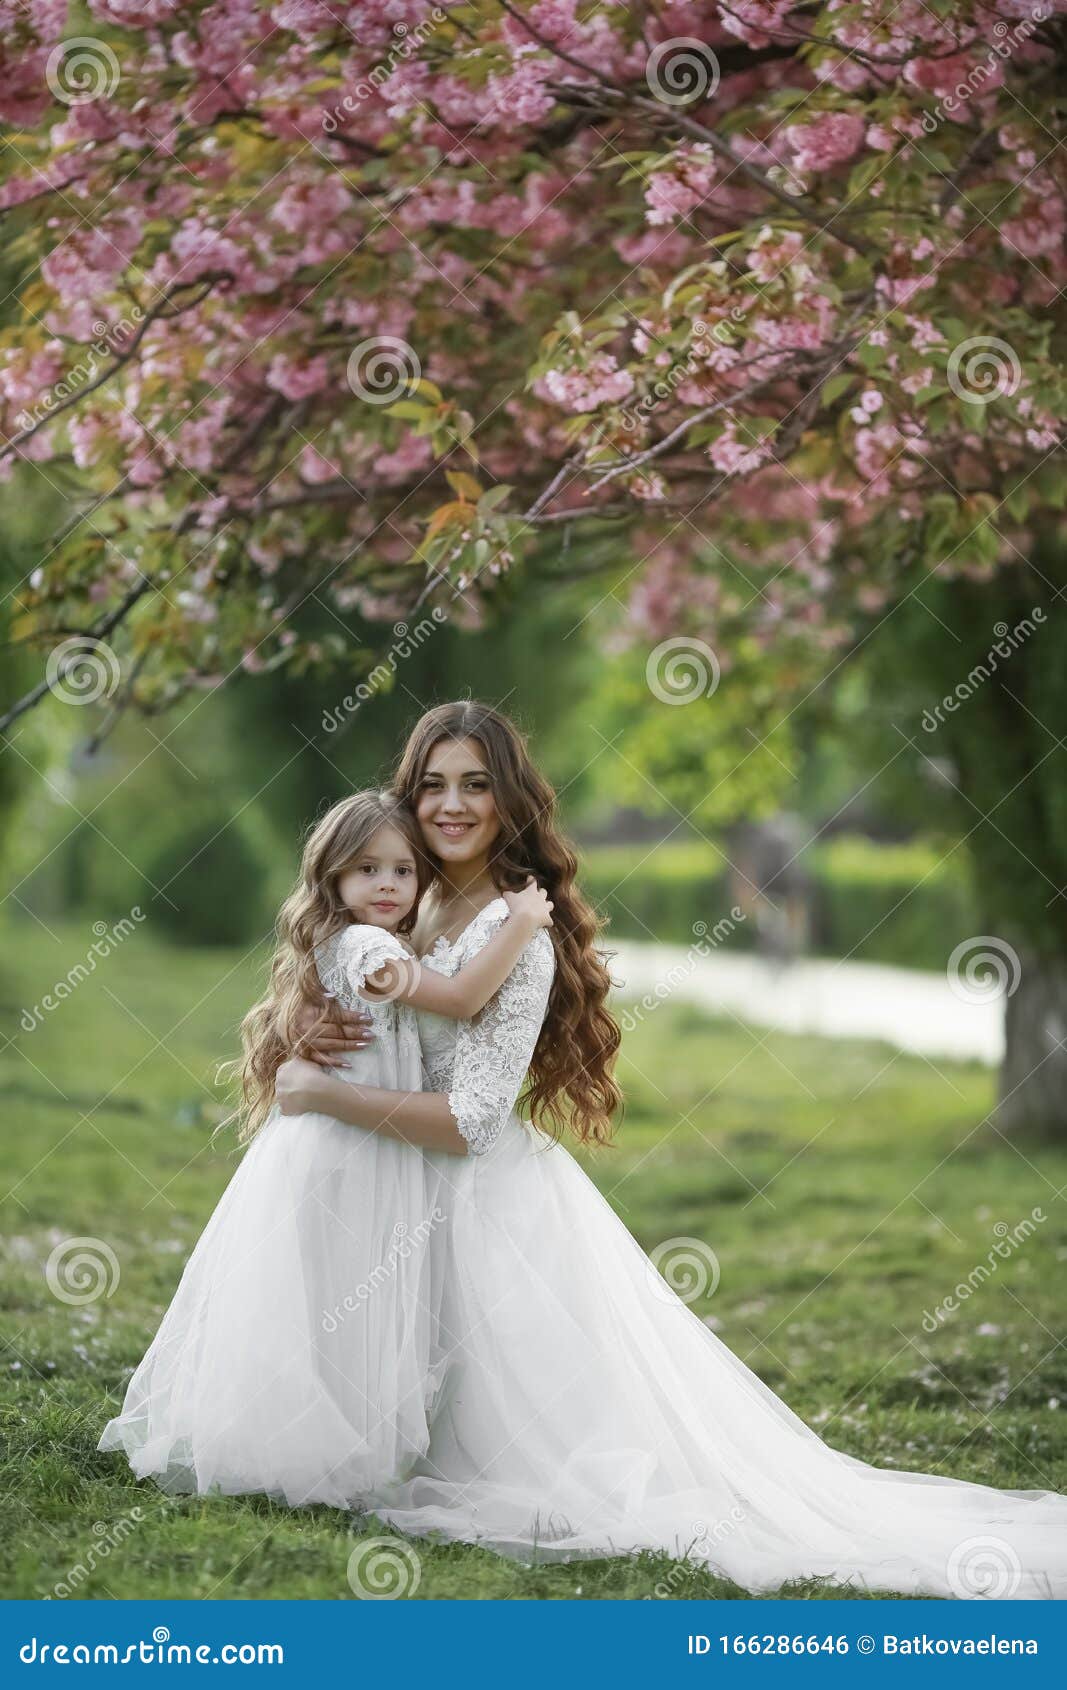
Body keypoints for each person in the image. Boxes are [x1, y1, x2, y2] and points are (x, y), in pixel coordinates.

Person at [276, 702, 1067, 1600]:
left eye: (476, 784)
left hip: (482, 1205)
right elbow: (373, 989)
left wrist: (327, 1094)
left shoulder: (516, 934)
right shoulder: (401, 897)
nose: (451, 805)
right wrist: (320, 1018)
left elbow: (472, 1122)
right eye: (432, 785)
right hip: (400, 1192)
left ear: (510, 800)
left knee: (529, 1454)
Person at [98, 788, 552, 1506]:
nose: (387, 885)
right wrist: (523, 923)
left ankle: (349, 1447)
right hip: (339, 1150)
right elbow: (461, 999)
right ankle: (298, 1448)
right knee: (332, 1293)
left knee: (352, 1293)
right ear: (332, 877)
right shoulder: (363, 946)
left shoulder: (383, 941)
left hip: (368, 1145)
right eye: (366, 869)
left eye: (403, 871)